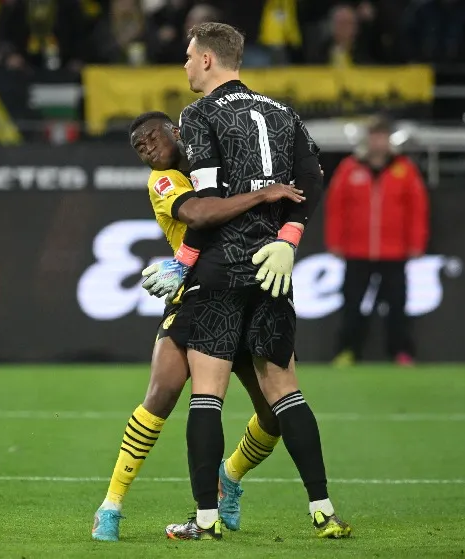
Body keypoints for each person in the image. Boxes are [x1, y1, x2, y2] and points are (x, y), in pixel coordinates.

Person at [145, 22, 351, 541]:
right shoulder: (284, 113)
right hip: (273, 267)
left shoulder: (199, 114)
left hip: (221, 269)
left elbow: (208, 209)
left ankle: (206, 520)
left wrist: (184, 262)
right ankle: (324, 511)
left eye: (189, 57)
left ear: (210, 60)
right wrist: (289, 236)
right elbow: (311, 180)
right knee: (287, 394)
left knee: (207, 396)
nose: (186, 65)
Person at [91, 111, 307, 542]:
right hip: (194, 295)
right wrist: (261, 194)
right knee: (161, 395)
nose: (147, 149)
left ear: (175, 131)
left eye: (151, 138)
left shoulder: (217, 163)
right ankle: (111, 505)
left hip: (245, 291)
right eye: (139, 148)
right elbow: (201, 215)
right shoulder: (164, 181)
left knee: (274, 413)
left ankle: (230, 476)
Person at [325, 115, 429, 366]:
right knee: (352, 305)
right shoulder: (349, 168)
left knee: (397, 306)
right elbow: (336, 208)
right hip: (357, 251)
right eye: (374, 136)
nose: (378, 141)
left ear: (389, 139)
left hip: (394, 252)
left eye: (382, 136)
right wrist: (335, 242)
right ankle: (347, 351)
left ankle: (401, 352)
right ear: (367, 139)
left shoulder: (404, 169)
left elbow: (418, 208)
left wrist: (416, 243)